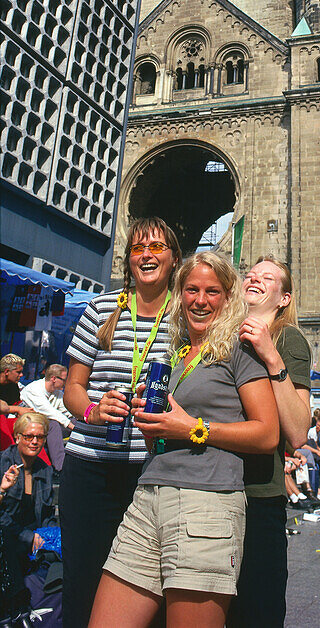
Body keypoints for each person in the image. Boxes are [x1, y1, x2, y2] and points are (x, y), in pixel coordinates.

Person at [89, 251, 279, 628]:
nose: (200, 300)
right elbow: (170, 429)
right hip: (148, 498)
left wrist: (191, 427)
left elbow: (267, 433)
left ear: (228, 297)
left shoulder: (239, 351)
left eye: (212, 291)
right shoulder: (174, 354)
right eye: (191, 289)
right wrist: (153, 428)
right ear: (180, 294)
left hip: (205, 505)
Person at [59, 216, 182, 628]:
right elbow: (73, 387)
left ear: (173, 257)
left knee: (147, 591)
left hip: (150, 474)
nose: (146, 255)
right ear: (128, 259)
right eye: (137, 248)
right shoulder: (101, 309)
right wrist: (93, 410)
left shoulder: (185, 320)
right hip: (90, 468)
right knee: (83, 583)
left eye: (156, 247)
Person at [228, 256, 312, 628]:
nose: (254, 279)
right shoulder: (219, 332)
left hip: (258, 493)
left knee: (256, 609)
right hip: (209, 487)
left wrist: (269, 353)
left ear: (284, 298)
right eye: (250, 274)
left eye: (267, 277)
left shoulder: (287, 338)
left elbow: (297, 432)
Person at [0, 412, 54, 623]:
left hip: (34, 536)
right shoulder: (3, 463)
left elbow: (48, 513)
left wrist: (46, 535)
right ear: (17, 437)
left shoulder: (45, 470)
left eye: (40, 437)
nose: (34, 441)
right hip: (10, 534)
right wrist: (28, 537)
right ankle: (18, 609)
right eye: (29, 436)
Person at [21, 364, 73, 472]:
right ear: (54, 378)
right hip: (28, 426)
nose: (65, 382)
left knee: (75, 421)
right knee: (53, 424)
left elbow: (67, 412)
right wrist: (69, 424)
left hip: (45, 427)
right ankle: (60, 468)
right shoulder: (34, 390)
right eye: (64, 379)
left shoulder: (57, 393)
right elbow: (50, 412)